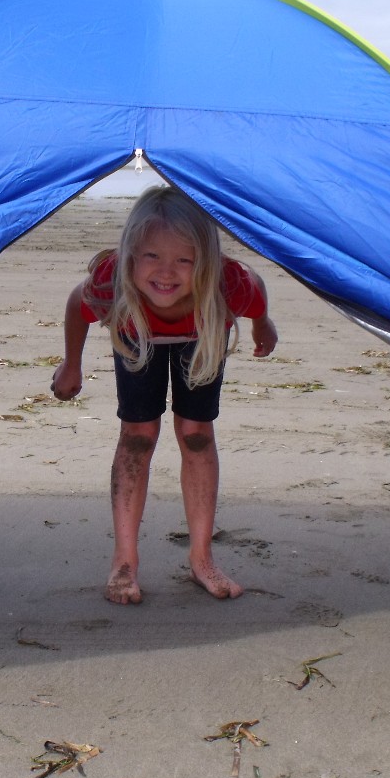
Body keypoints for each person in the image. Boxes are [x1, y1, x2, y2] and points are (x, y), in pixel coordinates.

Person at [51, 185, 279, 605]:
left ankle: (202, 558)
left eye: (184, 260)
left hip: (203, 328)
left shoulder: (227, 285)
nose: (166, 272)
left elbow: (257, 288)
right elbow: (75, 304)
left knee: (196, 434)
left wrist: (263, 325)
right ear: (132, 255)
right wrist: (71, 364)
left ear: (206, 262)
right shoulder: (113, 283)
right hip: (135, 327)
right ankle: (124, 561)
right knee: (138, 436)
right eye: (152, 256)